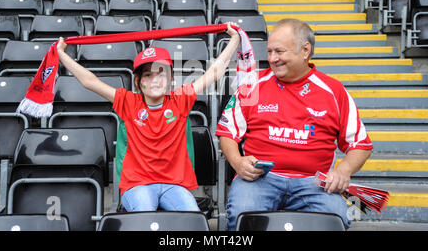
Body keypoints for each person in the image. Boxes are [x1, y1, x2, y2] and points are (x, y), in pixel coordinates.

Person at [57, 23, 240, 212]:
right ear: (138, 82)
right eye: (148, 75)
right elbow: (89, 81)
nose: (155, 81)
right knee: (144, 216)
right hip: (138, 185)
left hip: (174, 185)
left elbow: (214, 73)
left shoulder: (179, 100)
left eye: (161, 74)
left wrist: (234, 40)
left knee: (191, 217)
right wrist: (62, 54)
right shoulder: (128, 102)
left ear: (170, 79)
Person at [216, 18, 373, 230]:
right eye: (269, 52)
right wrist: (237, 161)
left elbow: (360, 145)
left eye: (279, 52)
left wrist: (343, 170)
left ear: (305, 50)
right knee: (242, 217)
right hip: (260, 180)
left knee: (336, 218)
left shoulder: (334, 91)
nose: (272, 59)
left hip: (315, 182)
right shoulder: (251, 85)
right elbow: (227, 132)